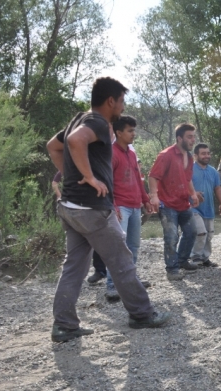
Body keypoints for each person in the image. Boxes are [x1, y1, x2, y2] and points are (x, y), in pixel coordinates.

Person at [46, 76, 170, 342]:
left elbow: (53, 146)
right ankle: (142, 314)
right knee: (122, 260)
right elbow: (75, 142)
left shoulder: (78, 118)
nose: (123, 108)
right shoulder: (98, 122)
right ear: (111, 100)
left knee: (74, 267)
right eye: (121, 102)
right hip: (92, 209)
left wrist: (70, 175)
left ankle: (64, 325)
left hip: (69, 206)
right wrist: (89, 178)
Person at [105, 115, 154, 299]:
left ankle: (131, 280)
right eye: (130, 130)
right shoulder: (111, 153)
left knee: (133, 245)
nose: (134, 134)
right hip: (121, 207)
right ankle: (112, 285)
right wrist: (114, 206)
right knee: (118, 246)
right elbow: (107, 182)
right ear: (118, 133)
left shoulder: (132, 154)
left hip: (134, 206)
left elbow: (138, 180)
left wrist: (146, 199)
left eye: (134, 130)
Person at [148, 123, 200, 280]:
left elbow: (187, 178)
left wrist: (193, 193)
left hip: (183, 202)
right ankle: (172, 269)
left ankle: (182, 260)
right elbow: (152, 176)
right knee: (171, 237)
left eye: (193, 137)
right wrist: (154, 196)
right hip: (167, 204)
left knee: (191, 232)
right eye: (189, 137)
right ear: (179, 138)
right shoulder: (166, 155)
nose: (193, 140)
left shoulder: (190, 157)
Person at [190, 143, 221, 267]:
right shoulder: (189, 169)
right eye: (203, 153)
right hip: (193, 208)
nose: (206, 156)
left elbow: (217, 188)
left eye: (208, 153)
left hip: (209, 208)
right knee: (201, 232)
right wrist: (193, 193)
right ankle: (195, 257)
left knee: (209, 234)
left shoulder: (213, 171)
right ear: (195, 155)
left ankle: (205, 258)